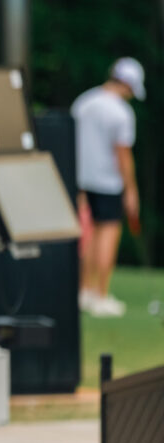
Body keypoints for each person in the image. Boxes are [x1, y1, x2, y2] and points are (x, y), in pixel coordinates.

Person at [71, 57, 145, 317]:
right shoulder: (121, 113)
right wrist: (131, 190)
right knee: (107, 234)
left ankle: (84, 291)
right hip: (108, 182)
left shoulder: (84, 101)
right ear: (128, 84)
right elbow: (123, 155)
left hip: (79, 180)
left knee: (87, 235)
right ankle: (101, 295)